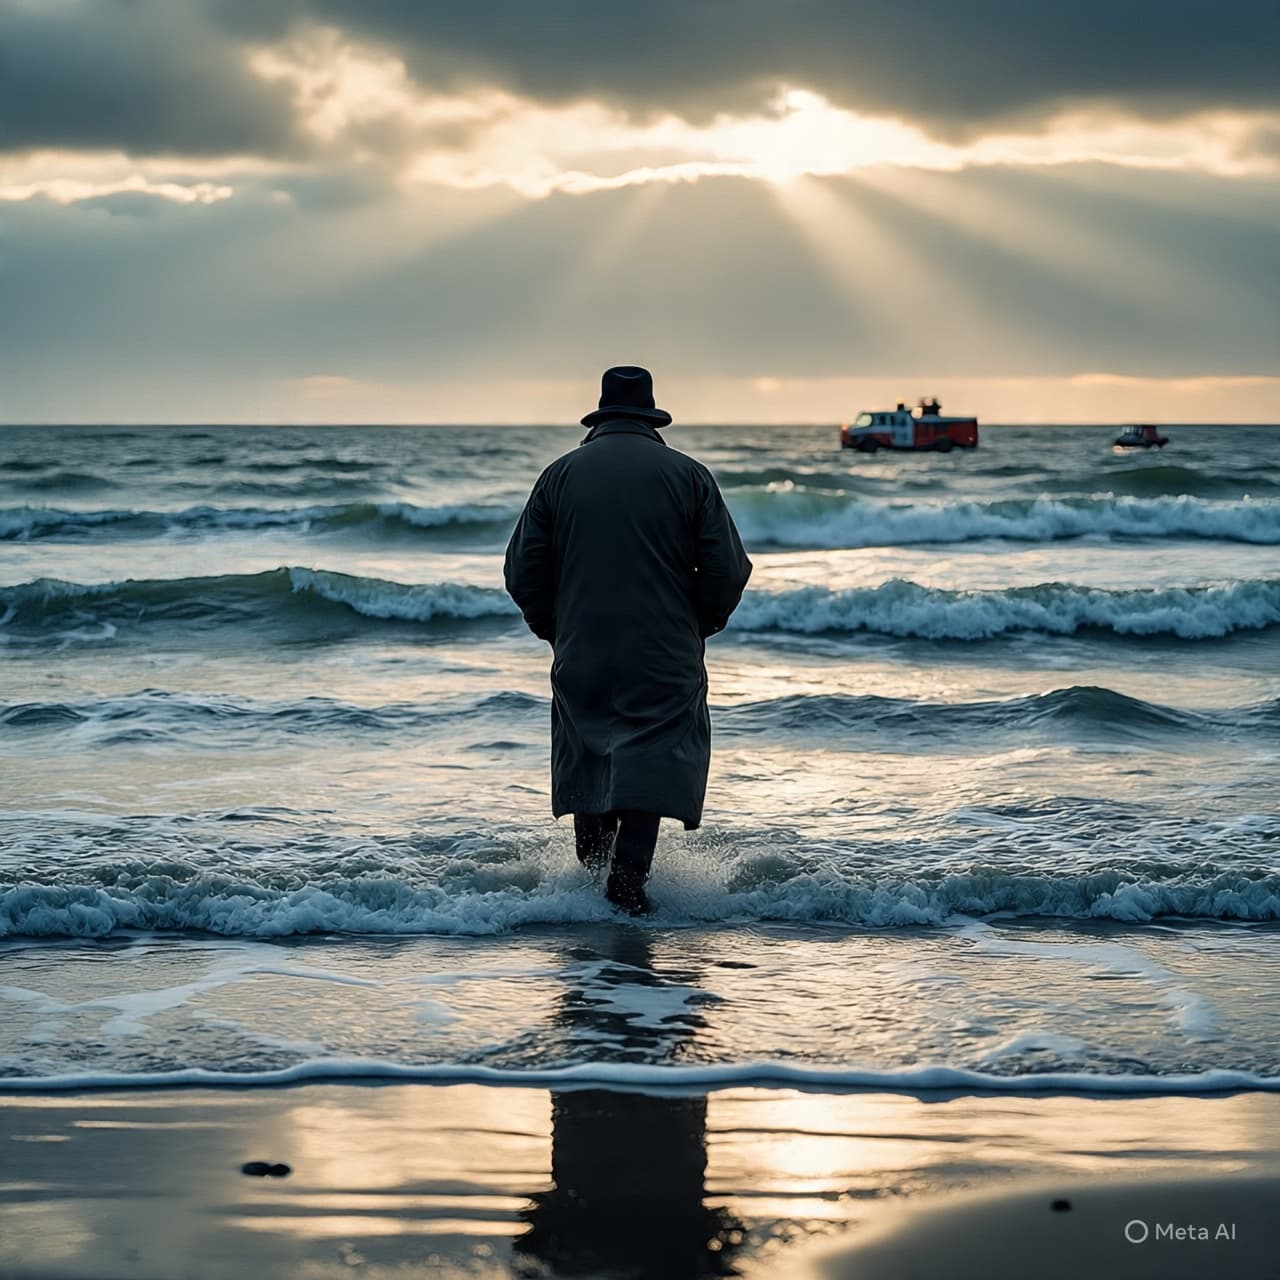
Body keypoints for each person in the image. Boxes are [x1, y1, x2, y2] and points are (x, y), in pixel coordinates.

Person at [504, 366, 752, 914]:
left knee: (590, 751)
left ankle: (591, 892)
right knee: (653, 752)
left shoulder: (558, 475)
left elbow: (522, 570)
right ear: (652, 418)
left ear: (599, 417)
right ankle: (629, 879)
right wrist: (699, 625)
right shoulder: (689, 476)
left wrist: (556, 630)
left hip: (581, 648)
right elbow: (728, 570)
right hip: (664, 649)